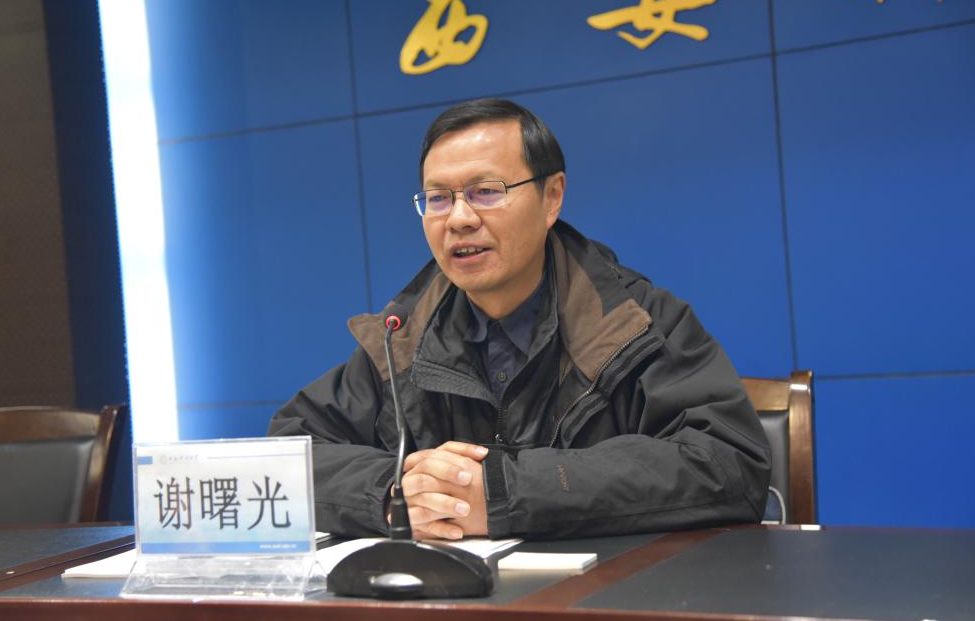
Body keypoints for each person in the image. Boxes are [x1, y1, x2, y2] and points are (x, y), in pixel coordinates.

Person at [269, 98, 770, 540]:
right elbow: (285, 456)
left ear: (552, 197)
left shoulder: (633, 323)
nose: (459, 218)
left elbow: (728, 463)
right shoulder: (402, 338)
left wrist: (507, 492)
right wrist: (398, 493)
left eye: (486, 191)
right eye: (438, 198)